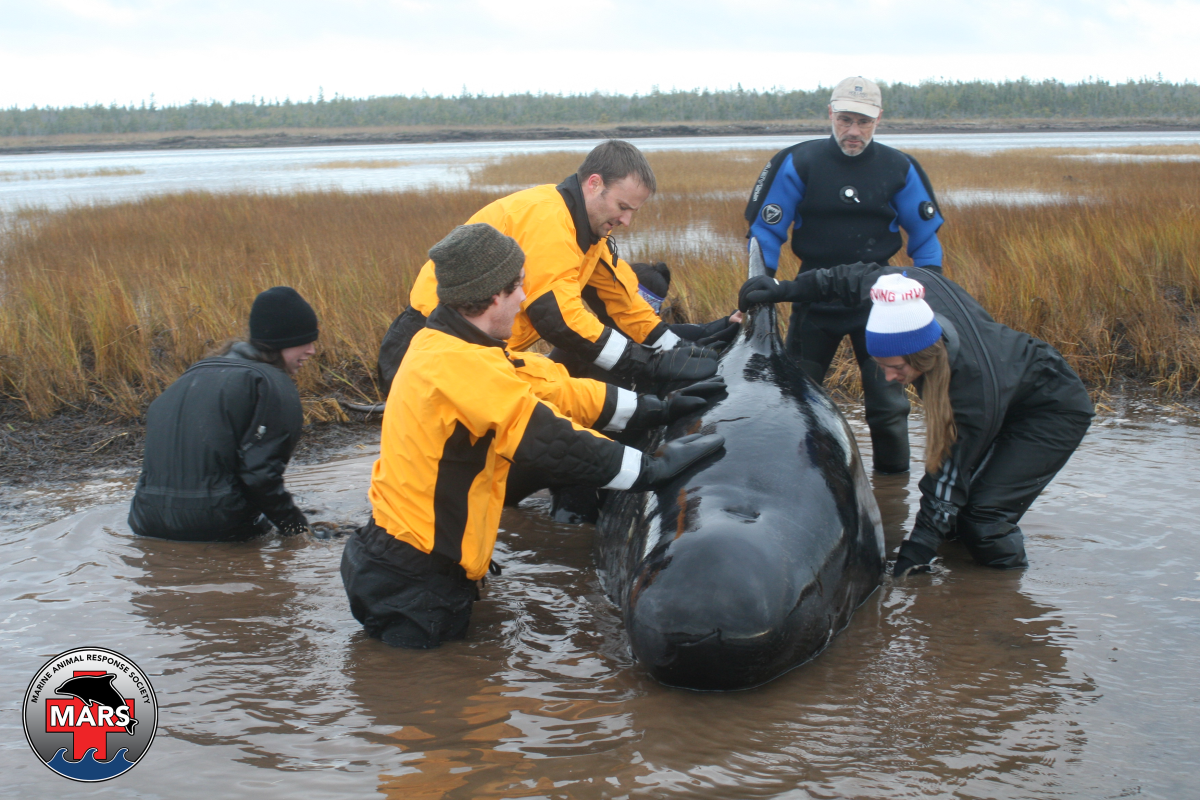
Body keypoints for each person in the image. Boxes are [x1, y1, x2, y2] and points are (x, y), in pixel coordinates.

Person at [343, 224, 725, 648]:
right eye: (518, 289)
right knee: (432, 706)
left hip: (402, 563)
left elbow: (557, 389)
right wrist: (648, 470)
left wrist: (658, 409)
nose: (525, 299)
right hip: (412, 579)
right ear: (492, 297)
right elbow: (546, 438)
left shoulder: (457, 346)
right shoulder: (456, 366)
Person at [739, 266, 1094, 576]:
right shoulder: (905, 291)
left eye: (897, 368)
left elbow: (947, 480)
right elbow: (847, 278)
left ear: (923, 355)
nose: (890, 378)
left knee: (984, 521)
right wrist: (786, 289)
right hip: (1009, 391)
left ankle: (1003, 602)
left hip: (1052, 409)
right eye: (882, 366)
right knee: (956, 522)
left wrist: (916, 554)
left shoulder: (968, 393)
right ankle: (964, 580)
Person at [377, 139, 734, 394]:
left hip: (487, 355)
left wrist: (683, 346)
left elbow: (626, 306)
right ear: (594, 184)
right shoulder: (548, 218)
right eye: (622, 206)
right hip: (428, 346)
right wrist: (644, 363)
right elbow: (559, 319)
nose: (626, 220)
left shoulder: (591, 233)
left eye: (633, 212)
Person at [743, 76, 945, 474]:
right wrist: (758, 296)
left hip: (880, 302)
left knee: (888, 408)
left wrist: (930, 294)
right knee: (794, 404)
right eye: (846, 119)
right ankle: (800, 486)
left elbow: (925, 239)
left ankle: (892, 498)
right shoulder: (798, 162)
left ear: (879, 119)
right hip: (812, 298)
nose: (854, 131)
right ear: (831, 113)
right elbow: (766, 233)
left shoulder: (899, 167)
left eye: (864, 122)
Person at [129, 286, 318, 541]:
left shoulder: (193, 374)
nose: (311, 350)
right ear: (282, 341)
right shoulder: (272, 383)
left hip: (145, 521)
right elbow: (260, 476)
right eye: (304, 341)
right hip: (219, 526)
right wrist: (298, 529)